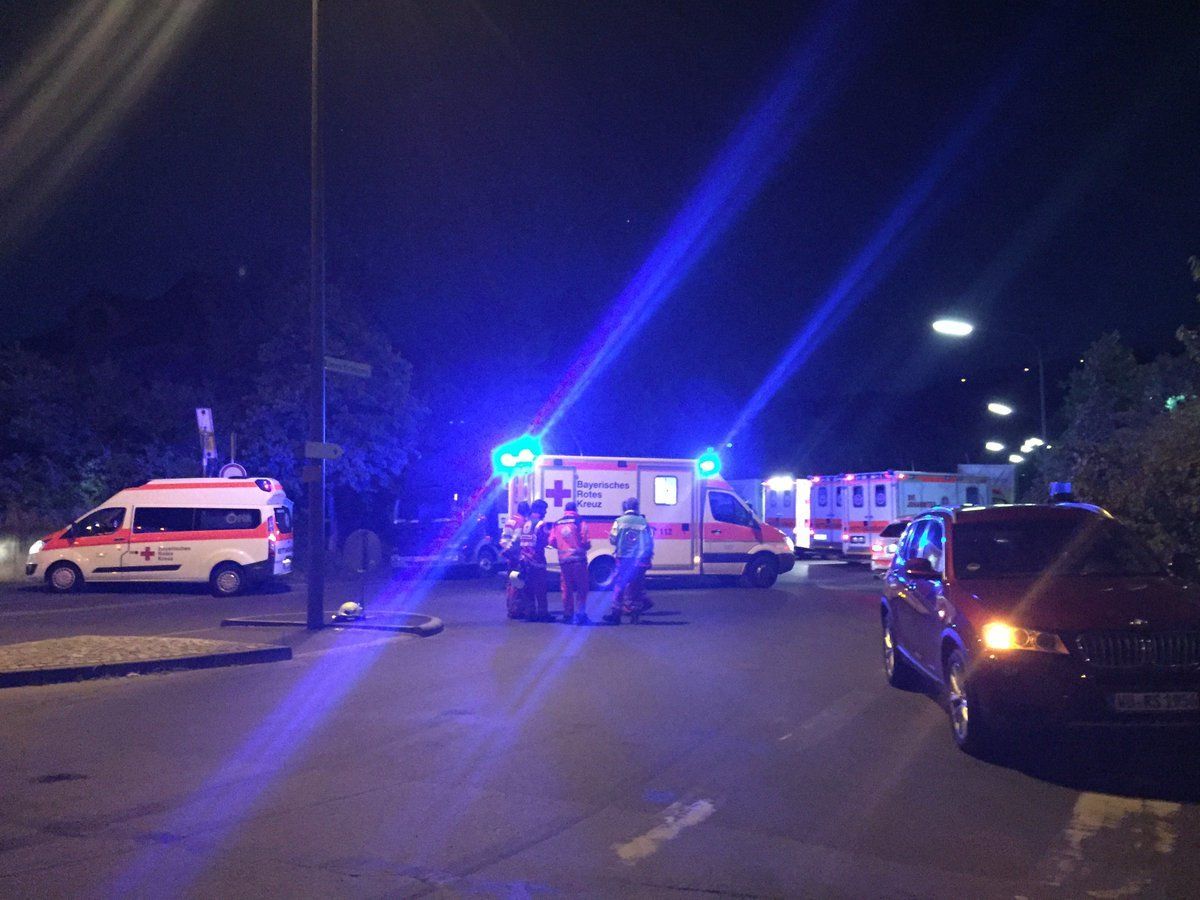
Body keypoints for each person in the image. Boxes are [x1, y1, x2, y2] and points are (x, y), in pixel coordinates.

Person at [602, 497, 654, 625]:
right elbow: (649, 541)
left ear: (625, 507)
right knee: (637, 587)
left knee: (619, 585)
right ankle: (635, 616)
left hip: (623, 559)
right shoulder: (643, 522)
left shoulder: (619, 521)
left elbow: (613, 540)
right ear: (636, 507)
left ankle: (616, 615)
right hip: (638, 560)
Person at [550, 500, 591, 624]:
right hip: (578, 560)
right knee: (581, 588)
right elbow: (585, 540)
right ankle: (581, 614)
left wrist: (562, 547)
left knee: (566, 588)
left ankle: (568, 614)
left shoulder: (557, 523)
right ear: (576, 510)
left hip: (564, 561)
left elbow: (551, 541)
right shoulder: (580, 521)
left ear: (565, 511)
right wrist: (586, 547)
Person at [518, 499, 554, 621]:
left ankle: (530, 614)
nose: (545, 512)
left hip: (524, 559)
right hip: (536, 560)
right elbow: (544, 541)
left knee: (528, 588)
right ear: (540, 510)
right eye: (545, 510)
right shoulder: (540, 524)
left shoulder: (526, 523)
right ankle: (543, 614)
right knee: (541, 588)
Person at [501, 501, 530, 619]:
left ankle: (511, 608)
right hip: (516, 556)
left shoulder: (510, 520)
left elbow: (504, 538)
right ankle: (515, 610)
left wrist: (506, 550)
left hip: (509, 556)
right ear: (526, 511)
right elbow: (516, 539)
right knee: (517, 583)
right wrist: (514, 553)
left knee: (511, 582)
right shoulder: (521, 522)